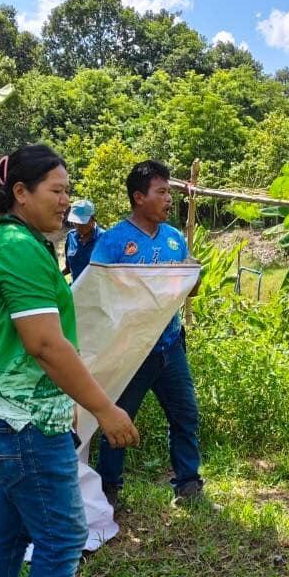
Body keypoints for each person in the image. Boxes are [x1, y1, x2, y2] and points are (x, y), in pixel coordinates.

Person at [0, 144, 139, 577]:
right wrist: (103, 408)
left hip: (11, 413)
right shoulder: (19, 249)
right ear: (20, 193)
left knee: (8, 531)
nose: (66, 201)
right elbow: (45, 345)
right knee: (63, 536)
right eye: (56, 191)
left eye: (69, 191)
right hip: (24, 424)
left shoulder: (27, 244)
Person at [89, 160, 208, 510]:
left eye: (169, 191)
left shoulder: (173, 238)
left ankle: (188, 483)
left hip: (170, 346)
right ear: (139, 197)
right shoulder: (112, 242)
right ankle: (107, 489)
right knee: (118, 420)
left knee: (185, 414)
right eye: (161, 192)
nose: (168, 198)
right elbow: (97, 294)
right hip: (130, 352)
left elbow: (191, 290)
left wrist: (192, 275)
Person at [63, 199, 102, 281]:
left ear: (92, 218)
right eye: (75, 222)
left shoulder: (104, 239)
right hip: (76, 290)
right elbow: (68, 268)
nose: (78, 226)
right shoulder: (71, 236)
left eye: (82, 222)